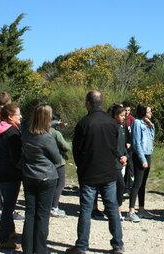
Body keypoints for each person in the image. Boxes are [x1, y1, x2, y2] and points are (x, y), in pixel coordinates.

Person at [66, 91, 124, 254]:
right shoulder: (112, 123)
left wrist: (81, 168)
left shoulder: (84, 123)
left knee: (86, 209)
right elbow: (114, 148)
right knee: (112, 208)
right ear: (101, 102)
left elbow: (76, 150)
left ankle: (82, 246)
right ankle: (118, 244)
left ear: (88, 103)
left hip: (89, 173)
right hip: (108, 172)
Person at [22, 104, 62, 254]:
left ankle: (28, 248)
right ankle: (40, 249)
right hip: (46, 177)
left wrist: (55, 123)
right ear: (47, 118)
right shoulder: (47, 137)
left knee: (30, 212)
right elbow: (57, 158)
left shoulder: (26, 132)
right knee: (43, 214)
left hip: (29, 175)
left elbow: (37, 122)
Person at [0, 102, 23, 250]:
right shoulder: (12, 132)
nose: (21, 116)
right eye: (18, 114)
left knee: (7, 204)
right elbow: (16, 157)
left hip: (0, 170)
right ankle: (4, 238)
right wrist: (22, 170)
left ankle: (9, 231)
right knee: (8, 207)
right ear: (10, 117)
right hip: (11, 173)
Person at [126, 104, 155, 223]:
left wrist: (151, 126)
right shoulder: (137, 123)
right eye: (148, 112)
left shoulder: (147, 124)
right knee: (137, 184)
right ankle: (131, 211)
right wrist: (142, 160)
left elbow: (152, 138)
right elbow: (136, 142)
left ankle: (141, 209)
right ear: (143, 112)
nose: (150, 114)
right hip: (139, 156)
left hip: (148, 154)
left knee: (143, 184)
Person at [50, 115, 71, 217]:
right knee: (60, 184)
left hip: (49, 162)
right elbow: (66, 146)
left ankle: (50, 206)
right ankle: (54, 207)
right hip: (59, 162)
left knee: (52, 185)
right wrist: (71, 143)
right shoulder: (56, 133)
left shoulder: (43, 130)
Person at [110, 104, 129, 221]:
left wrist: (126, 156)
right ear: (116, 116)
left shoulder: (122, 128)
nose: (123, 117)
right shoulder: (113, 127)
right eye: (122, 115)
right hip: (114, 162)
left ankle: (116, 210)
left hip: (122, 161)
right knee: (120, 185)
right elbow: (112, 146)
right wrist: (120, 157)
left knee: (119, 186)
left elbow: (124, 145)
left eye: (124, 116)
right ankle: (116, 210)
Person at [122, 101, 134, 197]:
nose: (127, 112)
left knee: (129, 168)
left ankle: (128, 187)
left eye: (129, 110)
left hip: (130, 148)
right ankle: (122, 187)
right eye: (125, 110)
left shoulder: (132, 120)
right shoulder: (121, 120)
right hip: (122, 147)